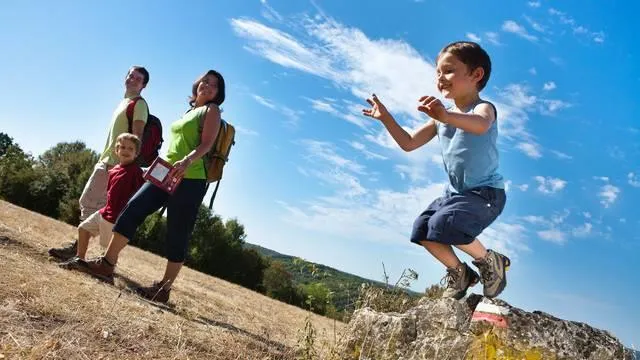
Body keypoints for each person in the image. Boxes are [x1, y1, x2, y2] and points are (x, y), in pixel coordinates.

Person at [362, 41, 510, 299]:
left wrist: (445, 117)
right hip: (455, 195)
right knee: (423, 228)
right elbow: (409, 143)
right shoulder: (441, 117)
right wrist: (386, 118)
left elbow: (481, 125)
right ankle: (460, 273)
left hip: (486, 194)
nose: (440, 77)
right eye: (437, 72)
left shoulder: (482, 108)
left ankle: (490, 261)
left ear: (476, 75)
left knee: (444, 224)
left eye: (449, 70)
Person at [79, 69, 225, 304]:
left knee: (177, 232)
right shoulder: (190, 111)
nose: (207, 86)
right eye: (205, 81)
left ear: (218, 93)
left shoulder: (212, 110)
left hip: (191, 178)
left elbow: (207, 144)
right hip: (165, 172)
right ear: (197, 83)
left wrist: (187, 161)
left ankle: (163, 289)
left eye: (214, 85)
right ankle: (107, 263)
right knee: (133, 208)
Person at [49, 66, 150, 260]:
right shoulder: (124, 102)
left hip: (114, 164)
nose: (132, 79)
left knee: (92, 203)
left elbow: (137, 137)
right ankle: (87, 250)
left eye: (138, 78)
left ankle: (85, 251)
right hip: (107, 159)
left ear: (144, 85)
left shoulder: (139, 105)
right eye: (130, 75)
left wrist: (123, 165)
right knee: (94, 205)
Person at [58, 133, 144, 268]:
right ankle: (79, 259)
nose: (125, 151)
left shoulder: (136, 172)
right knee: (83, 228)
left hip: (116, 218)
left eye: (130, 149)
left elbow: (141, 193)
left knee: (108, 250)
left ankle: (108, 271)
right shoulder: (114, 169)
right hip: (105, 211)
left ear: (136, 153)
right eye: (122, 147)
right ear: (116, 150)